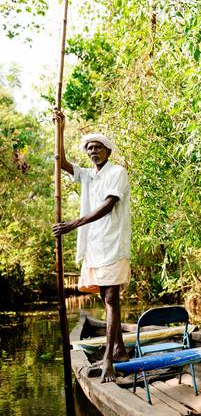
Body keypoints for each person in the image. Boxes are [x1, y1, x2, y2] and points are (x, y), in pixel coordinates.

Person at [52, 110, 131, 383]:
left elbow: (108, 206)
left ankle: (109, 358)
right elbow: (60, 161)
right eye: (88, 147)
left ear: (108, 150)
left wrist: (71, 224)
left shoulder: (117, 172)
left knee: (111, 299)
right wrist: (60, 128)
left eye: (97, 146)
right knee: (105, 298)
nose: (92, 150)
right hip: (94, 247)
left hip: (113, 244)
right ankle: (119, 348)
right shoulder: (87, 175)